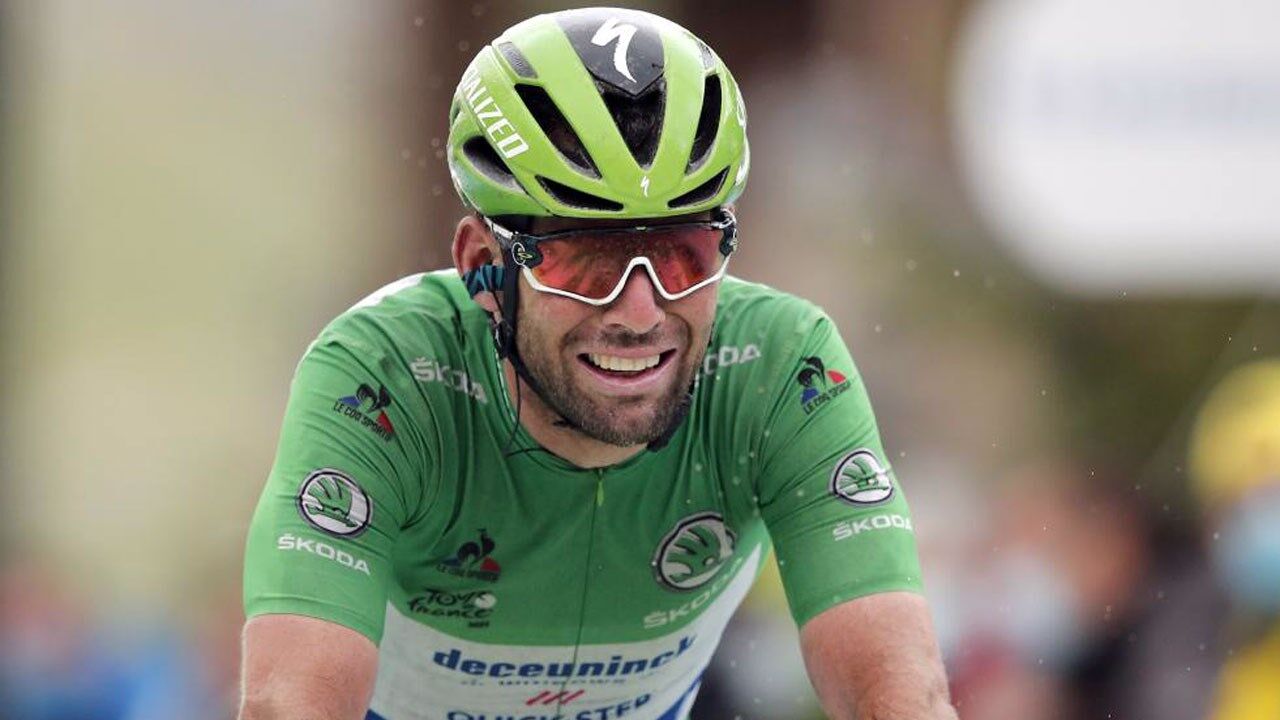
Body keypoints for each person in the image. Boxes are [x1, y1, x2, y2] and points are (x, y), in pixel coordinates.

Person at [238, 8, 954, 720]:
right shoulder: (384, 376)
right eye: (584, 262)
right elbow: (289, 704)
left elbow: (901, 697)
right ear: (483, 265)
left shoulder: (778, 369)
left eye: (684, 255)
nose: (640, 313)